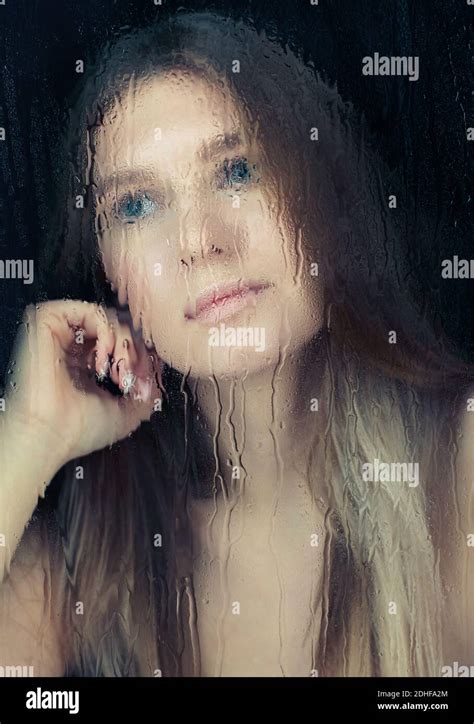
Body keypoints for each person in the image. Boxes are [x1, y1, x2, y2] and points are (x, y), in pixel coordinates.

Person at [0, 11, 472, 677]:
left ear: (327, 188)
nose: (198, 241)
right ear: (105, 274)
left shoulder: (460, 471)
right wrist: (27, 435)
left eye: (238, 169)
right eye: (135, 206)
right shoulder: (81, 577)